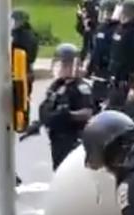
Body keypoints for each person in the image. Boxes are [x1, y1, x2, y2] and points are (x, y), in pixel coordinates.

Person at [35, 43, 94, 171]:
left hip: (72, 137)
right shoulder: (56, 86)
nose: (63, 68)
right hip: (56, 137)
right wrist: (41, 121)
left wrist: (69, 115)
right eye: (62, 64)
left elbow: (88, 112)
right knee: (58, 169)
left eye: (67, 65)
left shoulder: (80, 87)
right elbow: (48, 105)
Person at [85, 0, 119, 107]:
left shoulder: (118, 29)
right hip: (98, 70)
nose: (104, 15)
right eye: (103, 11)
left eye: (107, 12)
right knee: (94, 100)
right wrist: (89, 68)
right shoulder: (100, 28)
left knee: (109, 101)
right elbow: (94, 50)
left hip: (109, 70)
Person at [11, 8, 38, 112]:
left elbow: (27, 54)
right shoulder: (24, 34)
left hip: (22, 71)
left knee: (21, 101)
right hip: (24, 70)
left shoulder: (24, 36)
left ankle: (22, 122)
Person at [76, 0, 98, 66]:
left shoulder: (95, 4)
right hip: (87, 28)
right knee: (86, 46)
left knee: (92, 47)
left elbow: (96, 17)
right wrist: (80, 16)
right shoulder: (85, 4)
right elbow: (81, 16)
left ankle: (92, 64)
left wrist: (89, 21)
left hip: (93, 28)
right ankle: (81, 62)